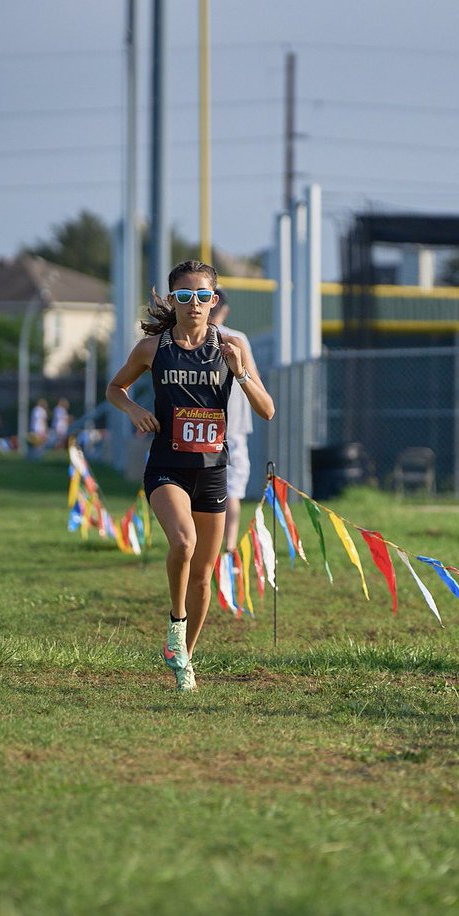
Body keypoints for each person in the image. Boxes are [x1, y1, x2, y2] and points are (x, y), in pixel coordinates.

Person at [106, 260, 275, 693]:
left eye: (202, 296)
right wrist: (135, 410)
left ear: (213, 300)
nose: (194, 304)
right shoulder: (152, 348)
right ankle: (176, 622)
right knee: (183, 542)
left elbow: (267, 409)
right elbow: (115, 388)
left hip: (213, 471)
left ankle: (184, 659)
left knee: (205, 575)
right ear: (173, 300)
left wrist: (239, 372)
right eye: (184, 296)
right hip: (167, 467)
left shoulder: (232, 345)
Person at [209, 288, 255, 555]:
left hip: (201, 428)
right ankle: (228, 545)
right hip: (232, 427)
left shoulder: (186, 340)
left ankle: (212, 546)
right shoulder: (236, 339)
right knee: (233, 490)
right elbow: (254, 380)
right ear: (223, 309)